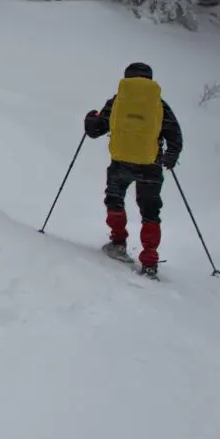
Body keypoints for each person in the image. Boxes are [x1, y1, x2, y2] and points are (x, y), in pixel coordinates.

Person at [82, 61, 183, 277]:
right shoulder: (159, 105)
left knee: (114, 199)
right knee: (150, 211)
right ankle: (149, 262)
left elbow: (95, 130)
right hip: (151, 165)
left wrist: (90, 118)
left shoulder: (119, 102)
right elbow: (175, 135)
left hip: (121, 162)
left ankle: (118, 243)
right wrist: (170, 157)